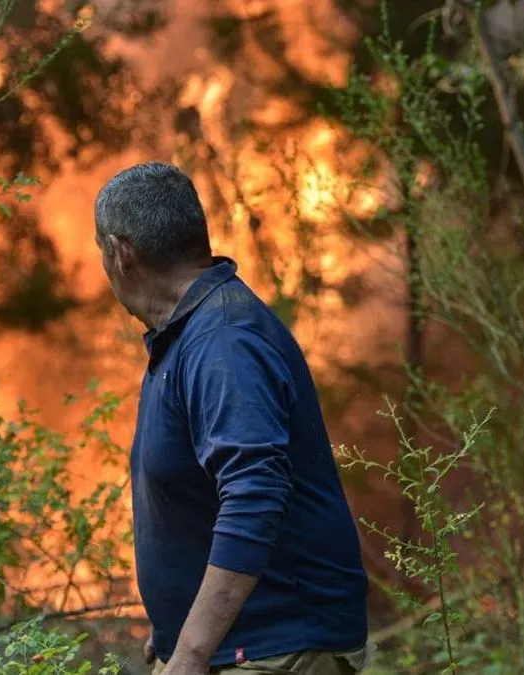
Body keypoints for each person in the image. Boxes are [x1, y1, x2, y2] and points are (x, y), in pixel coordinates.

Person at [93, 162, 370, 675]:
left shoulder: (224, 339)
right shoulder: (193, 332)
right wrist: (176, 627)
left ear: (120, 253)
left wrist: (193, 651)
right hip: (231, 646)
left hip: (274, 650)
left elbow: (254, 496)